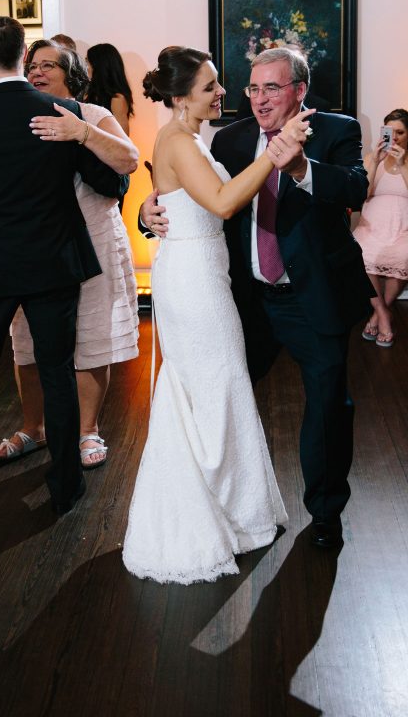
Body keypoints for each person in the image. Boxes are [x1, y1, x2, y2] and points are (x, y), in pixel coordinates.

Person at [140, 47, 372, 549]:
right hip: (243, 298)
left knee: (329, 406)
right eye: (252, 87)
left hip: (312, 298)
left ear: (299, 91)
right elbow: (190, 189)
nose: (259, 99)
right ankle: (219, 508)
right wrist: (148, 209)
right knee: (220, 397)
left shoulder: (336, 129)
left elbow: (356, 187)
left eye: (272, 87)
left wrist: (299, 170)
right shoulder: (230, 137)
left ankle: (326, 514)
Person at [0, 17, 124, 515]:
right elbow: (106, 180)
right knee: (58, 372)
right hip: (53, 263)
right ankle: (64, 484)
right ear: (22, 53)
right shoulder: (63, 113)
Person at [123, 46, 288, 585]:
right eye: (210, 87)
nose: (222, 92)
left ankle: (230, 508)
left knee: (209, 386)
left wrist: (150, 207)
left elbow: (174, 195)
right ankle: (219, 512)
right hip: (193, 284)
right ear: (180, 97)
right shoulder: (177, 138)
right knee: (217, 385)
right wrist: (276, 153)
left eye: (218, 83)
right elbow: (219, 202)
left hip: (201, 273)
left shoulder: (187, 138)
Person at [0, 39, 139, 470]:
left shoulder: (95, 114)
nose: (36, 72)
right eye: (31, 65)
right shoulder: (17, 117)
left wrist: (83, 133)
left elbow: (128, 160)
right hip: (34, 246)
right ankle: (34, 428)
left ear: (70, 73)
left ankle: (86, 430)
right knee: (27, 339)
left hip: (92, 236)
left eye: (47, 65)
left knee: (92, 336)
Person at [354, 108, 408, 347]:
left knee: (404, 255)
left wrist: (403, 164)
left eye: (400, 132)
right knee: (360, 251)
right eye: (390, 132)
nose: (395, 138)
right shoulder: (370, 158)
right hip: (372, 227)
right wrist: (375, 163)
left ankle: (379, 314)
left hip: (406, 230)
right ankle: (385, 314)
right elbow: (361, 196)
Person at [85, 42, 134, 135]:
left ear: (99, 66)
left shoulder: (117, 99)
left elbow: (123, 141)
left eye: (88, 62)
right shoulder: (89, 93)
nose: (86, 67)